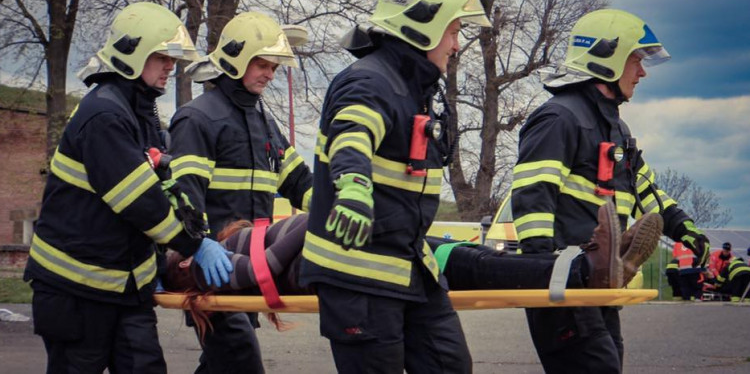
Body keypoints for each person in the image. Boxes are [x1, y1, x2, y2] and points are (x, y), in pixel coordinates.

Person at [296, 0, 494, 373]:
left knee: (451, 364)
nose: (456, 46)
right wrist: (353, 186)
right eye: (454, 31)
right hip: (358, 277)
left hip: (411, 268)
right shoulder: (369, 80)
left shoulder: (414, 89)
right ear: (424, 25)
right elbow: (352, 132)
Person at [23, 2, 233, 373]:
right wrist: (195, 246)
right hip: (75, 289)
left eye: (172, 57)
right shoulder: (104, 115)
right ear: (132, 54)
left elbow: (165, 187)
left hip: (124, 289)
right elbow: (139, 201)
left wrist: (183, 238)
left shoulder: (136, 113)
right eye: (161, 56)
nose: (171, 65)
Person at [511, 8, 711, 373]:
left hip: (597, 283)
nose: (642, 72)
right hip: (564, 284)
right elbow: (532, 194)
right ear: (607, 58)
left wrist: (684, 229)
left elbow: (646, 189)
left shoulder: (615, 129)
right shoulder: (558, 118)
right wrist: (543, 267)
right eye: (636, 60)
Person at [163, 201, 660, 335]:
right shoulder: (211, 269)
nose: (190, 245)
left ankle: (594, 264)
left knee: (482, 259)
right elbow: (263, 271)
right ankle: (589, 268)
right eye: (181, 251)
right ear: (183, 266)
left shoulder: (212, 250)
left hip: (339, 247)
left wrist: (305, 220)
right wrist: (308, 220)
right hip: (335, 262)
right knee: (471, 264)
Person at [168, 11, 313, 373]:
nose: (269, 73)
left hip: (248, 267)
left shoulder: (264, 122)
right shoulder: (197, 118)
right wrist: (198, 246)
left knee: (223, 363)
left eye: (274, 67)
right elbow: (186, 196)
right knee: (240, 358)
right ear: (234, 59)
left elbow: (299, 182)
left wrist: (334, 209)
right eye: (261, 64)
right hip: (211, 266)